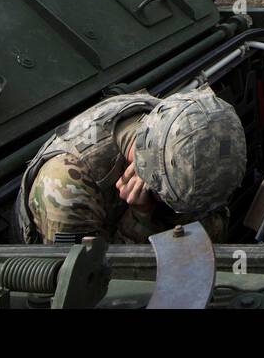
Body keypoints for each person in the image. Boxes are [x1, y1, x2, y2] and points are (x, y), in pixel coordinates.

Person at [15, 85, 246, 244]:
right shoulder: (65, 188)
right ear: (148, 176)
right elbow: (94, 282)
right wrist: (141, 219)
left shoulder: (182, 122)